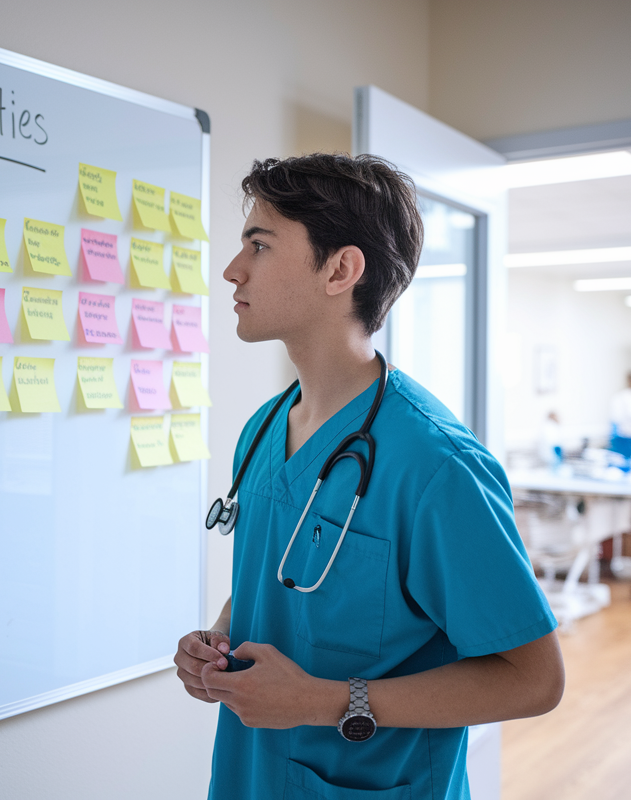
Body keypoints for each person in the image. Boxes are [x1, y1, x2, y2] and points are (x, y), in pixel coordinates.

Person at [172, 154, 563, 800]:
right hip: (249, 779)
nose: (232, 270)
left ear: (341, 269)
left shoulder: (437, 466)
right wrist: (219, 638)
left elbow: (534, 679)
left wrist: (323, 701)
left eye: (259, 245)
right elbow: (283, 582)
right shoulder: (263, 431)